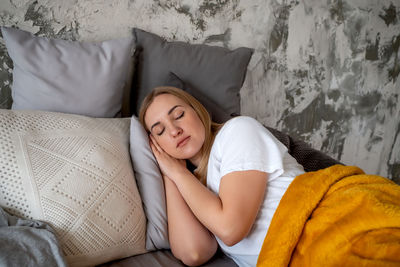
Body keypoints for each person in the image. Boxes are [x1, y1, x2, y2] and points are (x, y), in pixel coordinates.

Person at [139, 86, 305, 267]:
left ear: (197, 110)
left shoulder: (238, 131)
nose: (174, 130)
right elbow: (194, 253)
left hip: (321, 231)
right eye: (160, 131)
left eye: (179, 115)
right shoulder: (191, 186)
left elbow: (230, 229)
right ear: (157, 146)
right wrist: (170, 173)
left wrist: (177, 172)